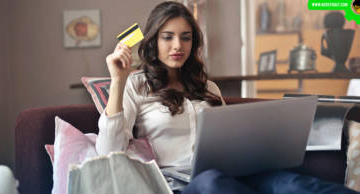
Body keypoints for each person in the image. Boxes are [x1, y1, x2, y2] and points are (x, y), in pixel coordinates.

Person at [97, 1, 359, 194]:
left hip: (236, 174)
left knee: (292, 183)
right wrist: (118, 82)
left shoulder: (207, 86)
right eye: (168, 37)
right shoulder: (136, 85)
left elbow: (229, 141)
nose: (178, 46)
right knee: (213, 184)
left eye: (185, 38)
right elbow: (108, 152)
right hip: (187, 185)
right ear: (153, 41)